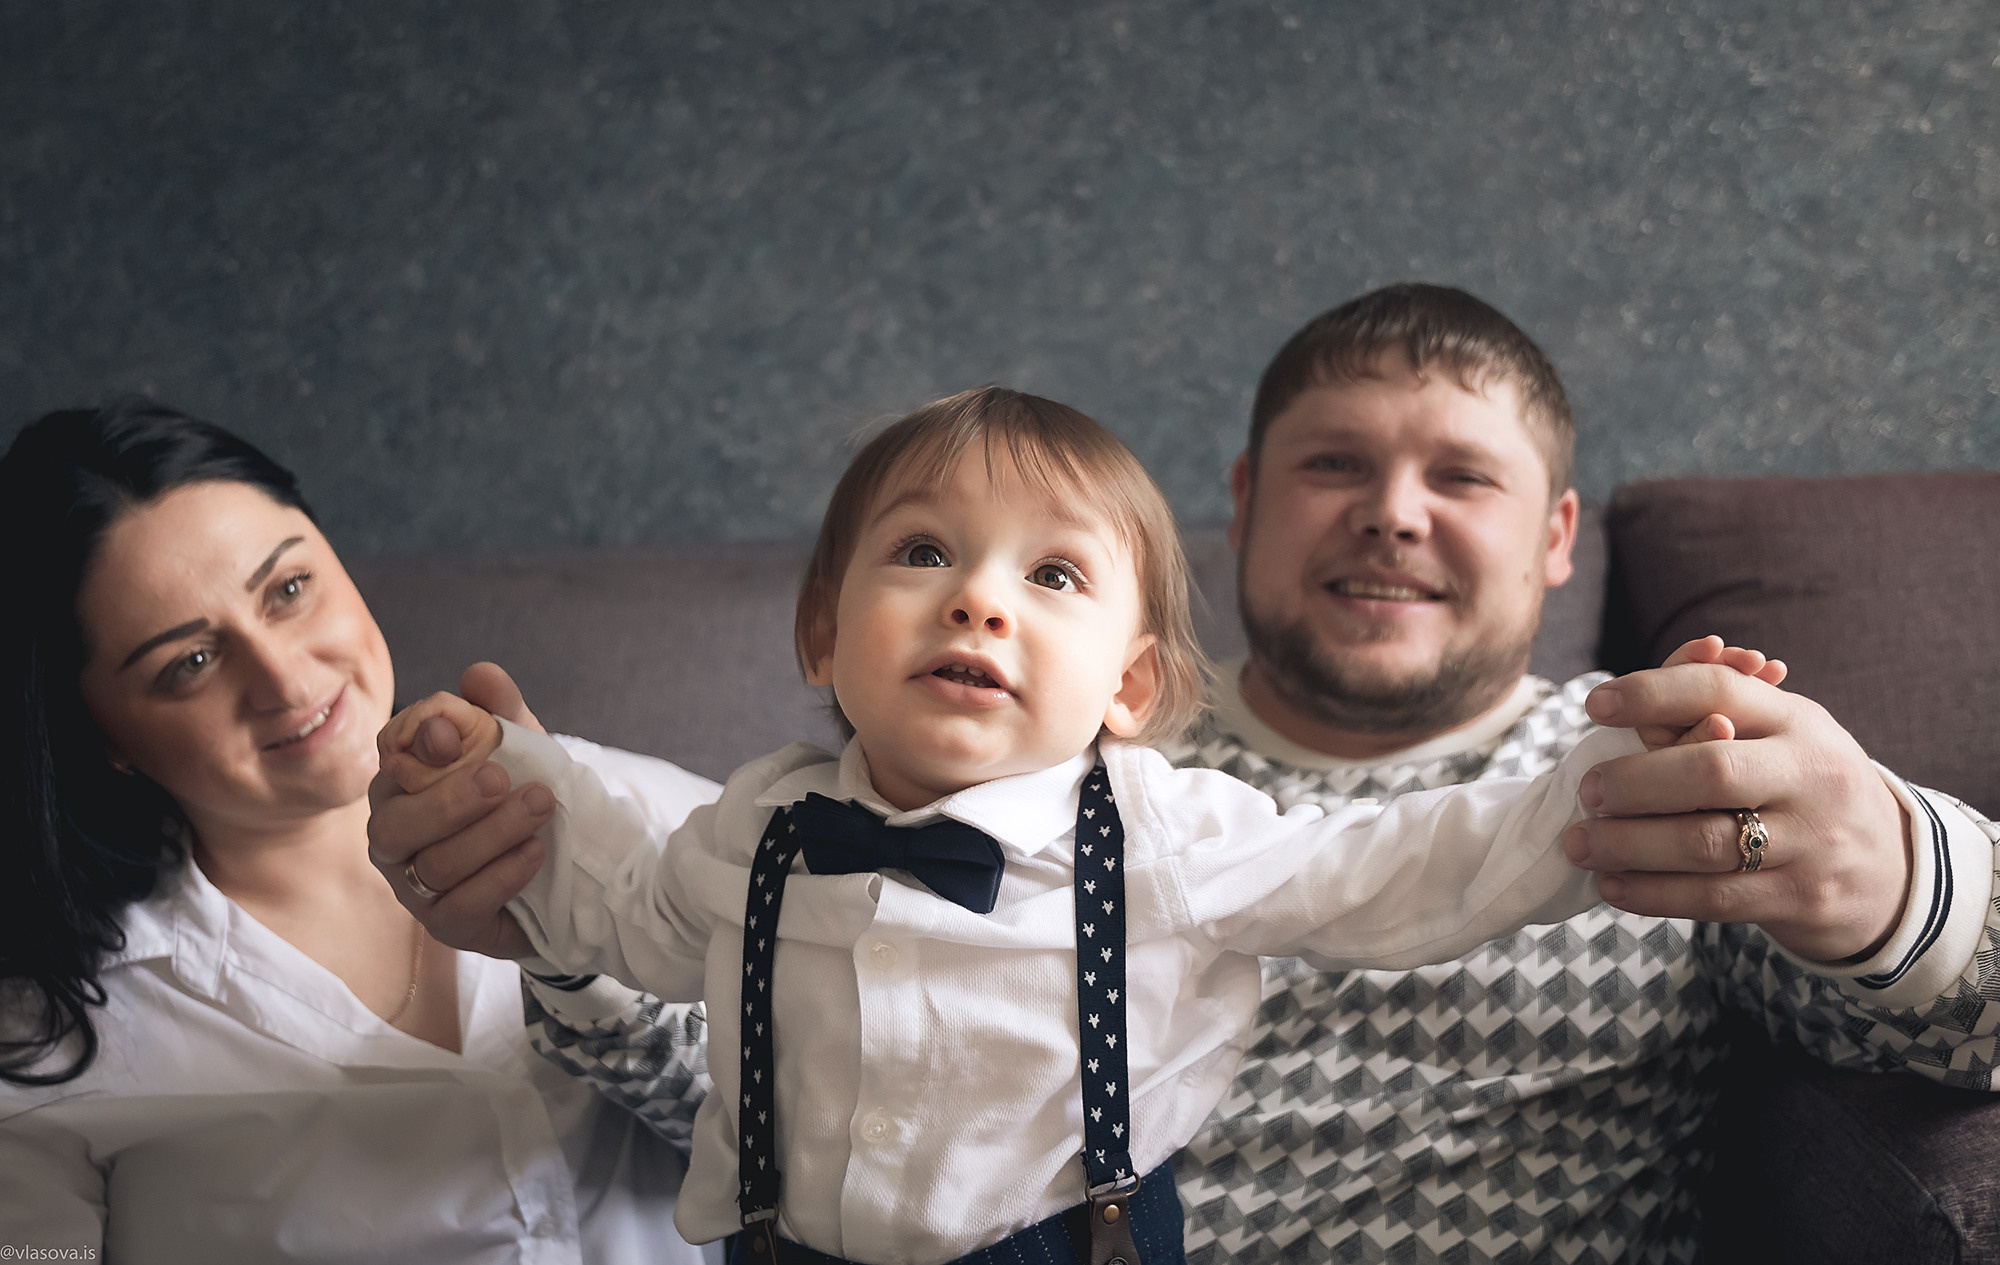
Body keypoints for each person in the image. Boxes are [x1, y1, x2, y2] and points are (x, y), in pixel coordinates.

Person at [372, 286, 1999, 1265]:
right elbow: (745, 1060)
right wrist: (543, 904)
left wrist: (1876, 863)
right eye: (1336, 465)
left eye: (1464, 477)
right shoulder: (948, 780)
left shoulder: (1627, 779)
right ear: (1241, 505)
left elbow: (1964, 1020)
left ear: (1559, 537)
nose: (1393, 514)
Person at [0, 400, 718, 1264]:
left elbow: (844, 1149)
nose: (286, 677)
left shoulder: (629, 808)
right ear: (102, 732)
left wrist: (578, 945)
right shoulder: (45, 1031)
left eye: (289, 590)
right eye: (188, 663)